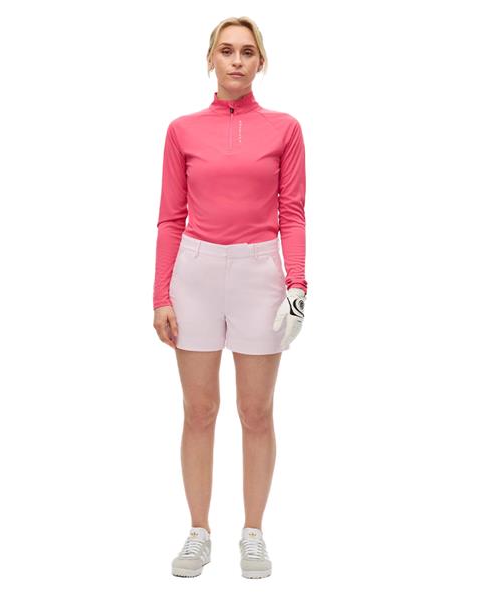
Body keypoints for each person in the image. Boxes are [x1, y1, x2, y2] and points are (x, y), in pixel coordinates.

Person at [152, 16, 308, 579]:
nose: (236, 61)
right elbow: (171, 216)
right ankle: (198, 531)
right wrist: (161, 293)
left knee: (256, 411)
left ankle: (253, 532)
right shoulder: (182, 130)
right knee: (199, 411)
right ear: (211, 59)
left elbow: (292, 212)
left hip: (259, 272)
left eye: (246, 52)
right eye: (226, 51)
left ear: (260, 62)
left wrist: (297, 285)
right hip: (194, 272)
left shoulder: (284, 129)